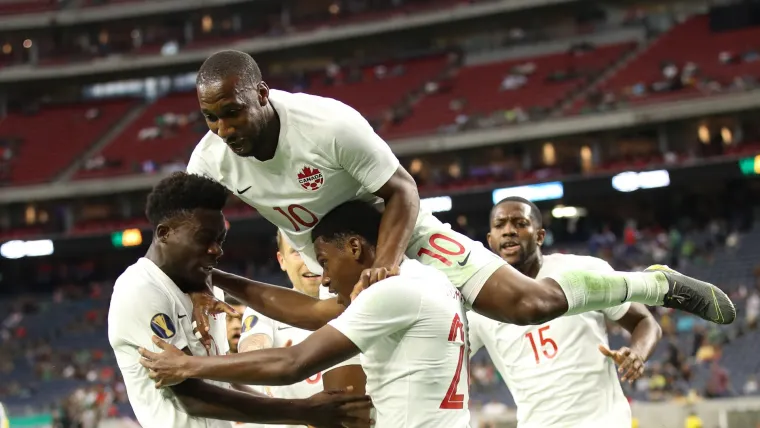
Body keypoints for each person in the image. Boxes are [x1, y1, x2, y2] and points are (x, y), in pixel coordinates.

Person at [186, 50, 734, 339]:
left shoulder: (328, 124)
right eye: (211, 118)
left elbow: (401, 189)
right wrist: (209, 279)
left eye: (232, 112)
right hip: (324, 256)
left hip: (396, 233)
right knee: (329, 340)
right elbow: (195, 231)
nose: (224, 128)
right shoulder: (209, 160)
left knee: (528, 305)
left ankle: (653, 282)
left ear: (260, 95)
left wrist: (388, 262)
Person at [138, 200, 471, 428]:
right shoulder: (429, 280)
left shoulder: (390, 293)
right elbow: (312, 311)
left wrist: (187, 365)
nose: (324, 277)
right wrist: (213, 275)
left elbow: (293, 363)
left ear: (355, 248)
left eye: (324, 261)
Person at [107, 172, 371, 428]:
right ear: (164, 233)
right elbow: (191, 397)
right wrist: (302, 411)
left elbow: (221, 381)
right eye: (204, 239)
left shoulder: (203, 288)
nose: (216, 250)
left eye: (220, 240)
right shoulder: (140, 289)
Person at [467, 197, 662, 428]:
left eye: (519, 223)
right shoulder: (480, 304)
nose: (509, 231)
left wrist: (637, 354)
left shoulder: (582, 271)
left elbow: (644, 321)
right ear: (490, 240)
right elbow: (445, 358)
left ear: (540, 235)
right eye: (500, 225)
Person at [235, 231, 367, 428]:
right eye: (297, 252)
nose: (309, 262)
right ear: (282, 260)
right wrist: (264, 359)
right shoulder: (264, 308)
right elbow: (252, 345)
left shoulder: (360, 301)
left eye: (313, 253)